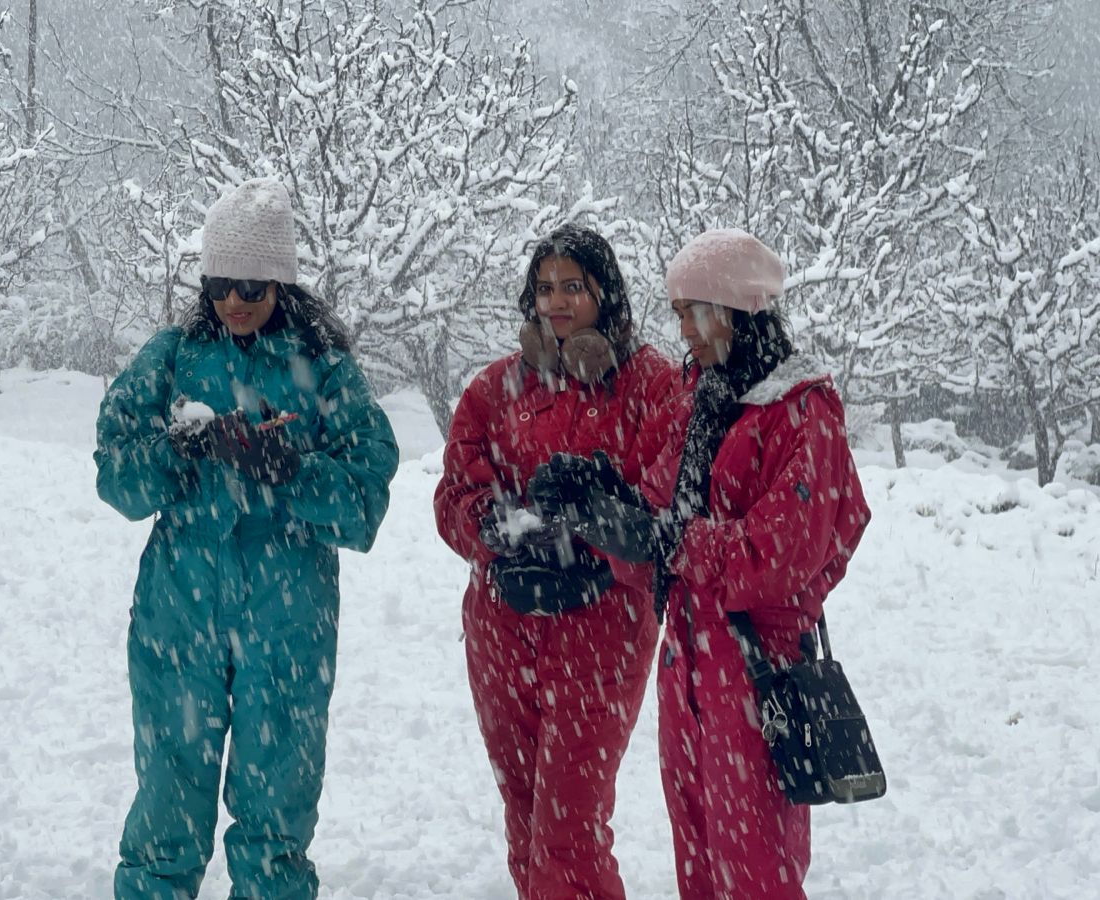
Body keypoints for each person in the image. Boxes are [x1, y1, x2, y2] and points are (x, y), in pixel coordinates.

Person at [529, 228, 871, 899]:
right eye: (678, 312)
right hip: (687, 653)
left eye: (694, 311)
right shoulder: (705, 396)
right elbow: (659, 506)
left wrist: (672, 540)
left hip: (758, 661)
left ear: (738, 310)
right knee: (699, 854)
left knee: (754, 864)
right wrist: (600, 495)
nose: (682, 329)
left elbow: (776, 555)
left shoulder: (802, 411)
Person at [94, 177, 398, 900]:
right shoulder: (169, 358)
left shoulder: (324, 369)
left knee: (275, 825)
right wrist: (181, 450)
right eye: (222, 284)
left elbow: (364, 500)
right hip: (178, 618)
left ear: (282, 285)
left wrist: (292, 469)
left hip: (288, 624)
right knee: (167, 810)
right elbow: (115, 477)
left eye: (254, 287)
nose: (236, 300)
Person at [432, 223, 680, 899]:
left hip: (601, 630)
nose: (558, 302)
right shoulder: (494, 388)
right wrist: (497, 528)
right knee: (525, 817)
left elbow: (664, 511)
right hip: (501, 624)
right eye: (545, 288)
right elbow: (455, 491)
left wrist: (592, 536)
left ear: (607, 292)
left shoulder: (651, 386)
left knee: (568, 828)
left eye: (574, 286)